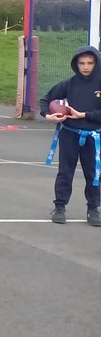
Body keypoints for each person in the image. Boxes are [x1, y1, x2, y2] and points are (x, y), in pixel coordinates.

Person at [39, 46, 101, 226]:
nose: (86, 66)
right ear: (76, 64)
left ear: (96, 63)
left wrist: (84, 115)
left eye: (90, 62)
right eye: (82, 63)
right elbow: (46, 100)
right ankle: (59, 207)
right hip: (70, 135)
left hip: (93, 137)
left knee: (93, 174)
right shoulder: (69, 84)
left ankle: (93, 209)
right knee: (65, 172)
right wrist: (47, 115)